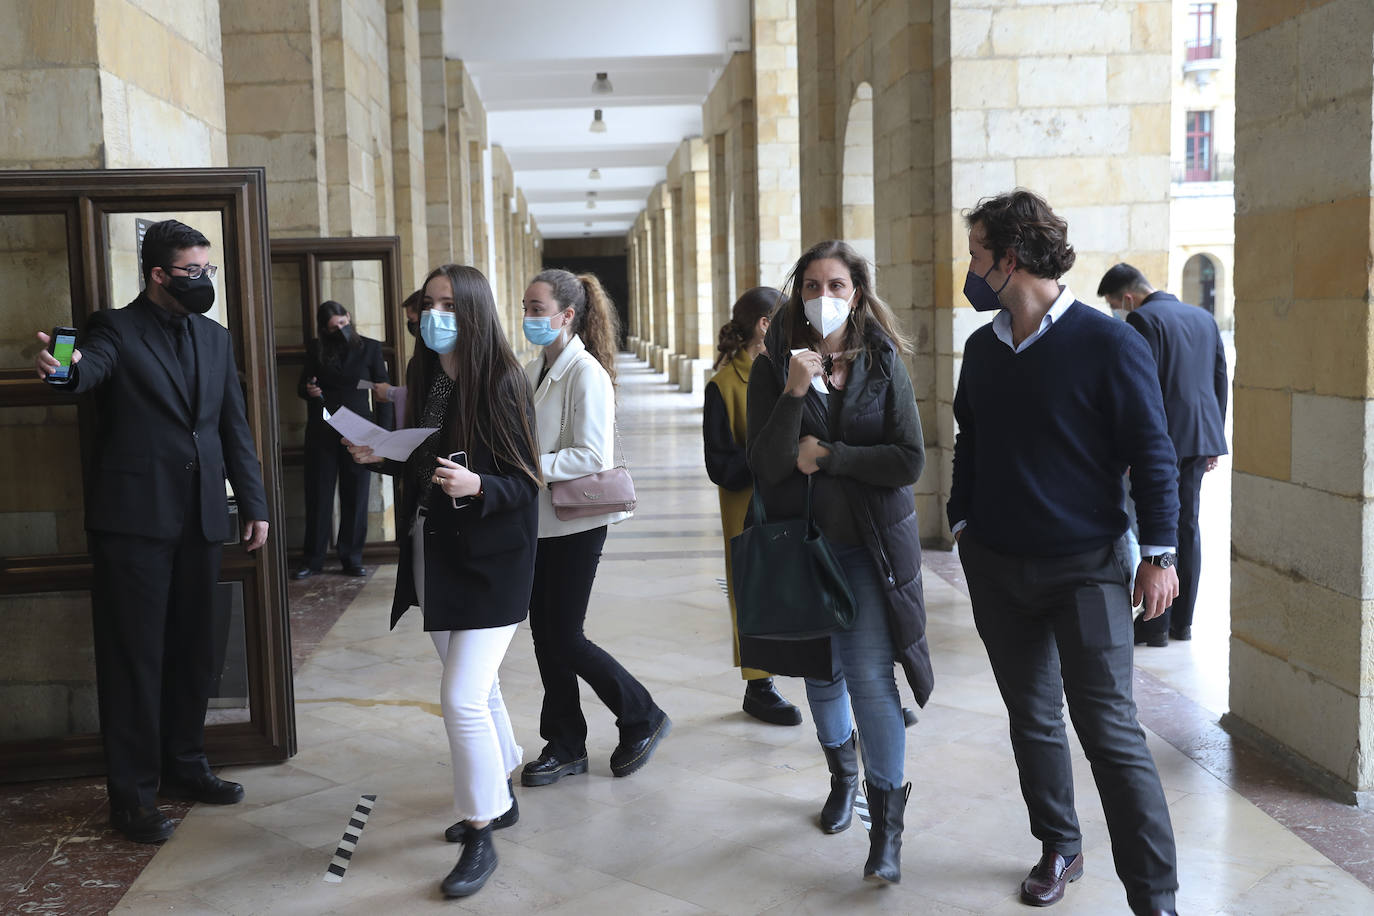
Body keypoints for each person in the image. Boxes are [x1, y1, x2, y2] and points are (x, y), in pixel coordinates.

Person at [949, 190, 1180, 916]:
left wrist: (1161, 554)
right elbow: (970, 441)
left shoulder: (1110, 341)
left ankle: (1156, 897)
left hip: (1087, 568)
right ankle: (1059, 844)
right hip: (997, 565)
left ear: (1010, 258)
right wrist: (962, 522)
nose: (971, 267)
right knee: (1033, 718)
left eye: (977, 254)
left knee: (1110, 732)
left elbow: (1154, 453)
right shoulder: (982, 348)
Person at [33, 219, 270, 844]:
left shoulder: (216, 338)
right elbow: (86, 371)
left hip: (200, 517)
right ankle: (132, 797)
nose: (205, 281)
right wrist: (63, 368)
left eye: (208, 270)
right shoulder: (113, 326)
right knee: (135, 660)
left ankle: (187, 766)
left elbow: (231, 428)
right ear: (159, 274)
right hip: (133, 523)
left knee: (196, 650)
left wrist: (254, 502)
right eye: (194, 272)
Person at [345, 263, 539, 899]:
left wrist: (481, 485)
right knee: (475, 693)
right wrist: (384, 454)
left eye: (450, 305)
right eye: (430, 304)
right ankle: (501, 788)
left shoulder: (503, 383)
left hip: (491, 562)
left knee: (460, 697)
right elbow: (427, 455)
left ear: (475, 312)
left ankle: (481, 827)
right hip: (436, 554)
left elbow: (525, 484)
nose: (436, 316)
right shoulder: (428, 377)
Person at [746, 240, 931, 884]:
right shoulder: (775, 364)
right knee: (821, 677)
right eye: (813, 286)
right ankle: (842, 777)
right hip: (801, 550)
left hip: (866, 549)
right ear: (798, 292)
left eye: (838, 286)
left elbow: (908, 459)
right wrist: (795, 393)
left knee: (871, 682)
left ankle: (886, 830)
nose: (824, 298)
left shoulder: (881, 360)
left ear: (857, 293)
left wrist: (829, 457)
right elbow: (764, 466)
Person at [518, 268, 671, 788]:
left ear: (567, 315)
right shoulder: (536, 368)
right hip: (541, 523)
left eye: (538, 309)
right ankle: (564, 744)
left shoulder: (586, 373)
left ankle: (641, 714)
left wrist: (525, 464)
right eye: (525, 308)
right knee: (545, 636)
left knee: (563, 635)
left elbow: (590, 456)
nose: (528, 318)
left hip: (576, 524)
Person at [1099, 262, 1228, 645]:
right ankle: (1181, 622)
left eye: (1112, 304)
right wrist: (1213, 439)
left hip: (1162, 440)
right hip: (1198, 437)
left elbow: (1141, 390)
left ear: (1127, 298)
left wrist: (1127, 447)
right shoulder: (1203, 317)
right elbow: (1220, 378)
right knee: (1187, 526)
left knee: (1157, 524)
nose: (1116, 312)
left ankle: (1156, 623)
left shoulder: (1141, 321)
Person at [702, 287, 803, 726]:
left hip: (799, 498)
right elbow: (719, 464)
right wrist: (770, 451)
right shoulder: (723, 385)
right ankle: (758, 686)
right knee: (754, 590)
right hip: (750, 507)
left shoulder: (791, 370)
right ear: (766, 324)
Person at [293, 301, 389, 580]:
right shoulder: (317, 347)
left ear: (349, 317)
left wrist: (383, 433)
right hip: (323, 430)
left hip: (360, 429)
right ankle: (313, 559)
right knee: (318, 495)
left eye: (343, 324)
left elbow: (382, 391)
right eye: (334, 327)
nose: (340, 329)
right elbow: (302, 385)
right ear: (325, 329)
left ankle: (352, 557)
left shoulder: (370, 347)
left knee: (356, 495)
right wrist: (308, 390)